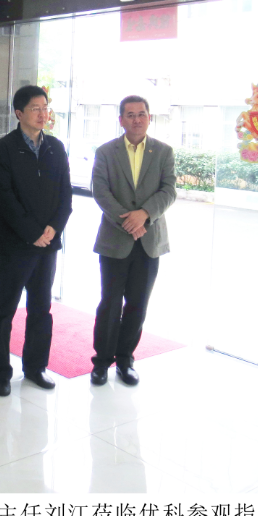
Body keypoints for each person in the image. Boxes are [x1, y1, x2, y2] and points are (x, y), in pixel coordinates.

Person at [0, 85, 72, 396]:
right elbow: (5, 200)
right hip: (14, 246)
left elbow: (66, 195)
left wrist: (53, 229)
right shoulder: (4, 149)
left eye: (45, 107)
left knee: (41, 309)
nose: (42, 113)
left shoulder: (56, 147)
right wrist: (32, 233)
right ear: (19, 113)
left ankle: (36, 367)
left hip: (47, 246)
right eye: (35, 108)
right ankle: (0, 373)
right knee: (4, 311)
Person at [89, 95, 176, 386]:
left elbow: (169, 190)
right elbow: (100, 191)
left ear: (149, 117)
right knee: (110, 304)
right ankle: (101, 362)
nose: (137, 119)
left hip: (149, 242)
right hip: (115, 239)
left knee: (138, 305)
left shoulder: (163, 152)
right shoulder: (106, 152)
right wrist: (128, 220)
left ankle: (125, 360)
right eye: (130, 114)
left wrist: (144, 215)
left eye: (141, 114)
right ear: (121, 120)